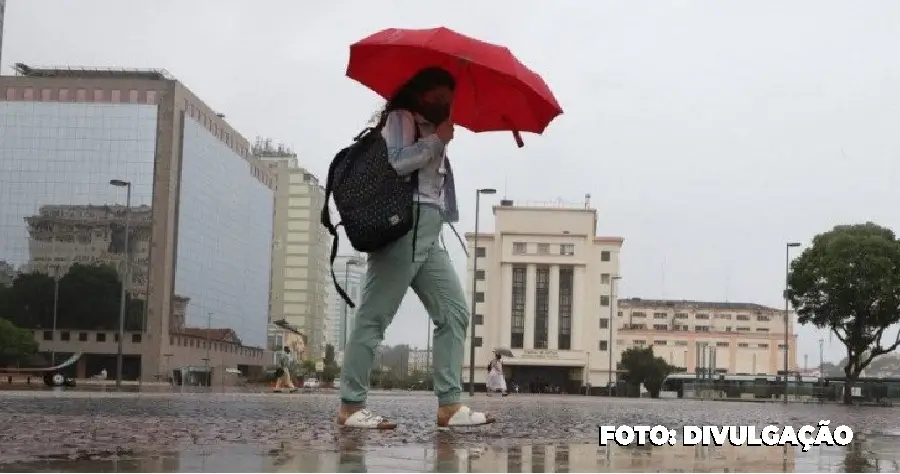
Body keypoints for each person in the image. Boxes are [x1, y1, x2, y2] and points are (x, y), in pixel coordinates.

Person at [336, 67, 495, 430]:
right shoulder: (401, 118)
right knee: (375, 315)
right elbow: (398, 162)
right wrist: (437, 141)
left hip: (431, 227)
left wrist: (441, 139)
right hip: (405, 224)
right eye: (442, 93)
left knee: (454, 313)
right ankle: (351, 405)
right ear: (423, 92)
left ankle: (450, 406)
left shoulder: (431, 125)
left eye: (450, 96)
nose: (448, 100)